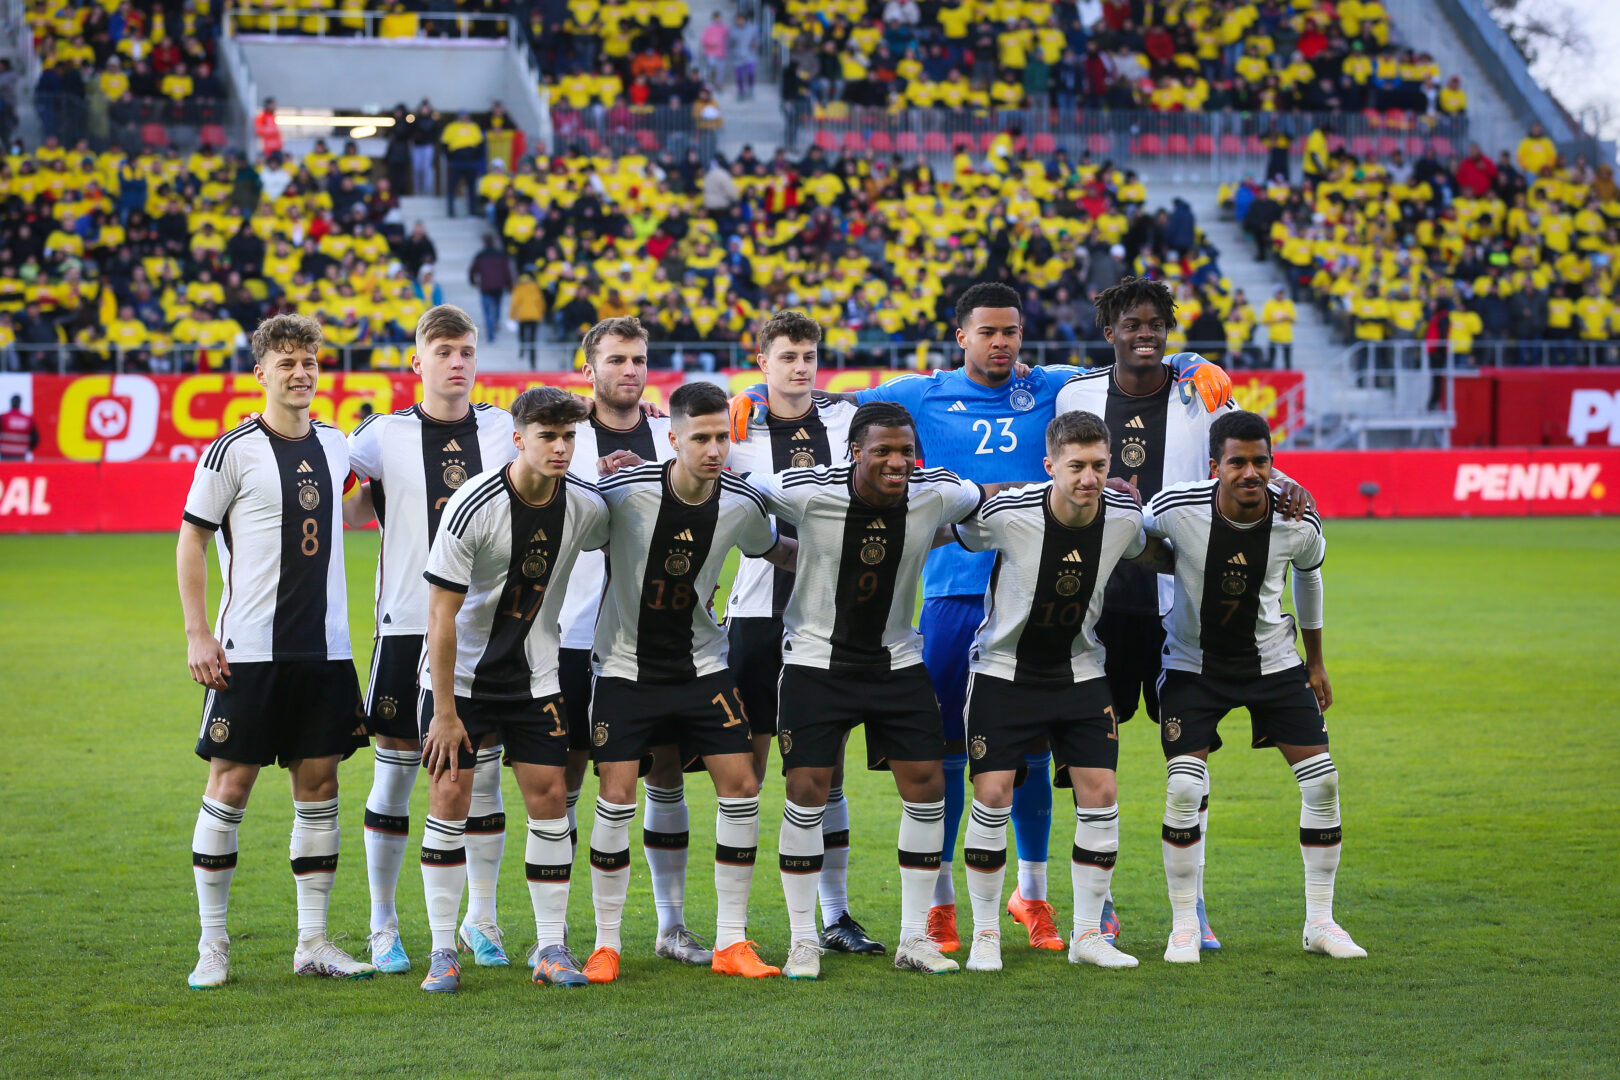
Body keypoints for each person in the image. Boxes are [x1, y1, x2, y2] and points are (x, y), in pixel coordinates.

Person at [730, 282, 1233, 956]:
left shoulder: (1050, 385)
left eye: (1011, 332)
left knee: (1033, 746)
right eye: (987, 332)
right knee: (945, 749)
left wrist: (1187, 361)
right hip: (950, 590)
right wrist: (759, 395)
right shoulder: (919, 393)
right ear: (960, 335)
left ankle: (1033, 894)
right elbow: (833, 403)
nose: (1001, 344)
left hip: (1038, 595)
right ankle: (941, 905)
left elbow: (1129, 361)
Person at [1055, 276, 1312, 949]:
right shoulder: (1075, 394)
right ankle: (1100, 904)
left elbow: (1244, 456)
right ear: (1108, 331)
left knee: (1190, 767)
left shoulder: (1202, 390)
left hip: (1185, 606)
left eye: (1156, 325)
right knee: (1092, 757)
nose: (1145, 335)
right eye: (1131, 324)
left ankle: (1191, 905)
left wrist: (1291, 487)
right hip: (1099, 604)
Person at [747, 402, 1013, 979]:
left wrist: (1064, 483)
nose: (897, 462)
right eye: (883, 451)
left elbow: (988, 494)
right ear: (855, 453)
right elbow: (742, 489)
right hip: (816, 662)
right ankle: (802, 940)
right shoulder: (808, 491)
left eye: (905, 451)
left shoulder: (934, 491)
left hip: (897, 661)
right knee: (806, 790)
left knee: (927, 787)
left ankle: (914, 937)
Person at [176, 314, 374, 989]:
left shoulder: (337, 444)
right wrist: (197, 633)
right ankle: (212, 945)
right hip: (249, 653)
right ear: (260, 372)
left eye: (309, 361)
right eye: (286, 362)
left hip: (325, 653)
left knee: (320, 788)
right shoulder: (230, 451)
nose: (300, 373)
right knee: (229, 787)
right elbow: (192, 539)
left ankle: (312, 942)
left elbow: (355, 512)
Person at [583, 382, 796, 983]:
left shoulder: (741, 502)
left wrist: (840, 551)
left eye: (722, 437)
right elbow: (572, 521)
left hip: (703, 666)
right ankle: (606, 944)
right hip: (624, 668)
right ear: (672, 439)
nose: (714, 450)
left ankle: (731, 940)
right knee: (616, 797)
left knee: (742, 785)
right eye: (700, 438)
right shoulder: (625, 493)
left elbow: (775, 550)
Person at [947, 410, 1166, 972]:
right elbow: (956, 530)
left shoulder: (1125, 517)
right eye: (1076, 467)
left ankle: (1088, 935)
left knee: (1101, 792)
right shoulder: (1010, 512)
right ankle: (986, 934)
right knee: (992, 795)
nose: (1089, 478)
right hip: (1003, 672)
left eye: (1099, 465)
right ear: (1050, 466)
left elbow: (1164, 544)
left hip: (1081, 671)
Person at [1143, 410, 1363, 963]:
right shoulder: (1177, 508)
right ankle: (1184, 925)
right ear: (1213, 466)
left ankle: (1320, 923)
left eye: (1260, 462)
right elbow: (1127, 533)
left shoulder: (1298, 520)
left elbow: (1310, 578)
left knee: (1323, 783)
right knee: (1185, 789)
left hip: (1274, 662)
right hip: (1193, 665)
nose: (1250, 472)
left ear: (1273, 464)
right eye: (1237, 462)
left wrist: (1316, 663)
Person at [417, 387, 611, 992]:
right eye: (547, 436)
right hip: (462, 682)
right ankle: (442, 951)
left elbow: (633, 534)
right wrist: (444, 712)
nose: (560, 448)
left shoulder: (585, 505)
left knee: (550, 798)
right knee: (450, 796)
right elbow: (441, 615)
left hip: (537, 677)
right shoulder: (473, 505)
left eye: (569, 437)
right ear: (518, 438)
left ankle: (551, 946)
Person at [343, 305, 518, 974]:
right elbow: (332, 486)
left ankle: (481, 918)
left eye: (466, 350)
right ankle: (382, 925)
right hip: (405, 625)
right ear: (417, 361)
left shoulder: (503, 428)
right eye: (443, 351)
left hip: (484, 631)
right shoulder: (381, 435)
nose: (457, 361)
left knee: (482, 780)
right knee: (394, 776)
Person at [722, 310, 884, 956]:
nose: (800, 367)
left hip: (831, 620)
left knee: (827, 768)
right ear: (762, 362)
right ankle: (734, 929)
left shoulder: (847, 419)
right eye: (786, 356)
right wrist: (741, 399)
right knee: (747, 773)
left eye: (809, 356)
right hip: (757, 615)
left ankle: (836, 916)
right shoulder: (737, 426)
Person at [553, 317, 706, 968]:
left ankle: (671, 927)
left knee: (664, 773)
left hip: (653, 640)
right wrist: (592, 480)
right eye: (616, 359)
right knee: (566, 776)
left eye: (638, 359)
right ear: (588, 368)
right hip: (570, 633)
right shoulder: (565, 436)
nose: (630, 370)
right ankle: (558, 932)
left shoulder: (667, 433)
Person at [468, 235, 512, 345]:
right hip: (498, 287)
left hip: (486, 287)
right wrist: (509, 284)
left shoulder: (480, 256)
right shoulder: (500, 255)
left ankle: (491, 335)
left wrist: (473, 282)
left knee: (487, 312)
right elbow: (506, 271)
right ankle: (495, 324)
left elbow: (472, 270)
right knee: (497, 307)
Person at [441, 111, 484, 217]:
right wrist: (450, 157)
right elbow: (444, 143)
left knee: (471, 187)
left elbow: (480, 144)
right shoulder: (451, 127)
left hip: (470, 162)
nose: (464, 118)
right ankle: (451, 210)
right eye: (462, 116)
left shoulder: (474, 127)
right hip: (456, 161)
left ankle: (472, 210)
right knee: (452, 186)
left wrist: (476, 156)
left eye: (466, 116)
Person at [0, 394, 39, 459]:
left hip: (5, 454)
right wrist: (28, 449)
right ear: (20, 403)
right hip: (21, 455)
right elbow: (35, 439)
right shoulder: (28, 419)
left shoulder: (3, 417)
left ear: (11, 402)